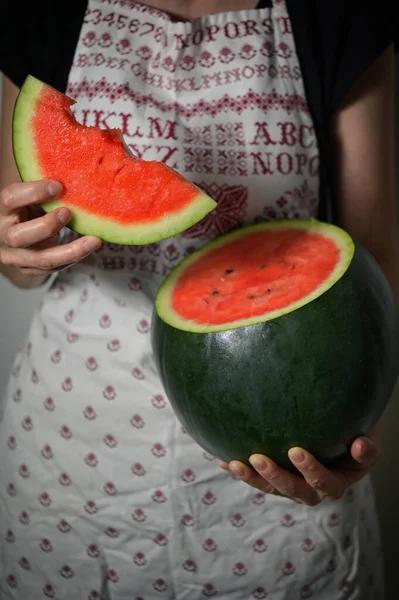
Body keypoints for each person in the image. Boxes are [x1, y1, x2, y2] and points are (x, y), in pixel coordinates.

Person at [0, 0, 398, 598]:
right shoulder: (44, 12)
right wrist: (14, 252)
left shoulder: (337, 13)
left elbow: (373, 260)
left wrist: (352, 431)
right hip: (80, 446)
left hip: (283, 446)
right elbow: (23, 264)